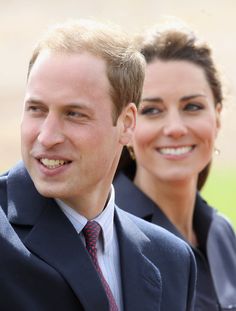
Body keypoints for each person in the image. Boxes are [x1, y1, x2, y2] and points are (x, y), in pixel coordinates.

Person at [0, 19, 196, 310]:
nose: (47, 136)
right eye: (36, 109)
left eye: (74, 114)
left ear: (127, 123)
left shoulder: (173, 261)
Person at [114, 23, 236, 311]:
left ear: (217, 116)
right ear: (127, 125)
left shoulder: (221, 232)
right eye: (152, 110)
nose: (175, 128)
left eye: (192, 106)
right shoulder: (109, 236)